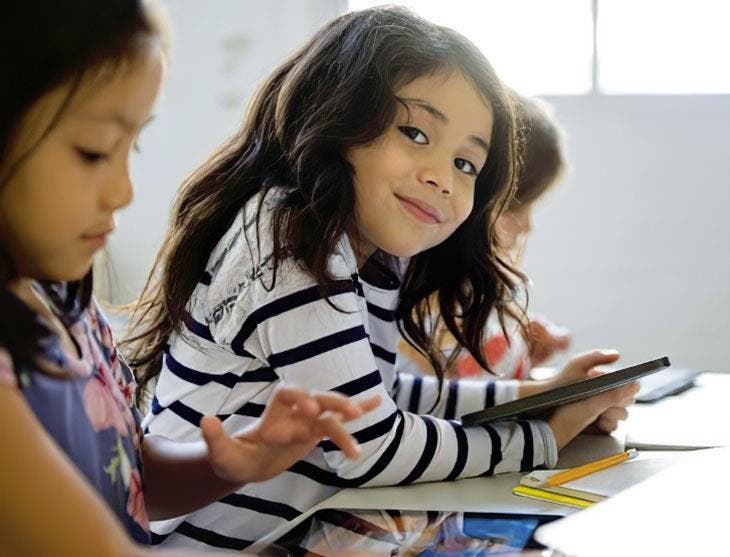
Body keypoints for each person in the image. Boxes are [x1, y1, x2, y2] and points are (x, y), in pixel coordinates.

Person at [126, 6, 637, 551]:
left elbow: (380, 397)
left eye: (467, 164)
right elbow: (369, 447)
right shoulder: (291, 238)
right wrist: (543, 438)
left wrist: (539, 395)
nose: (442, 176)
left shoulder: (366, 252)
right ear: (335, 115)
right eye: (416, 132)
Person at [0, 2, 379, 556]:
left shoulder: (69, 307)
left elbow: (128, 475)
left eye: (135, 146)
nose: (124, 190)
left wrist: (232, 462)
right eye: (94, 151)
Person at [397, 94, 572, 381]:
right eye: (519, 206)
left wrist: (520, 347)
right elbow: (454, 398)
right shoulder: (412, 311)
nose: (527, 227)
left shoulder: (465, 295)